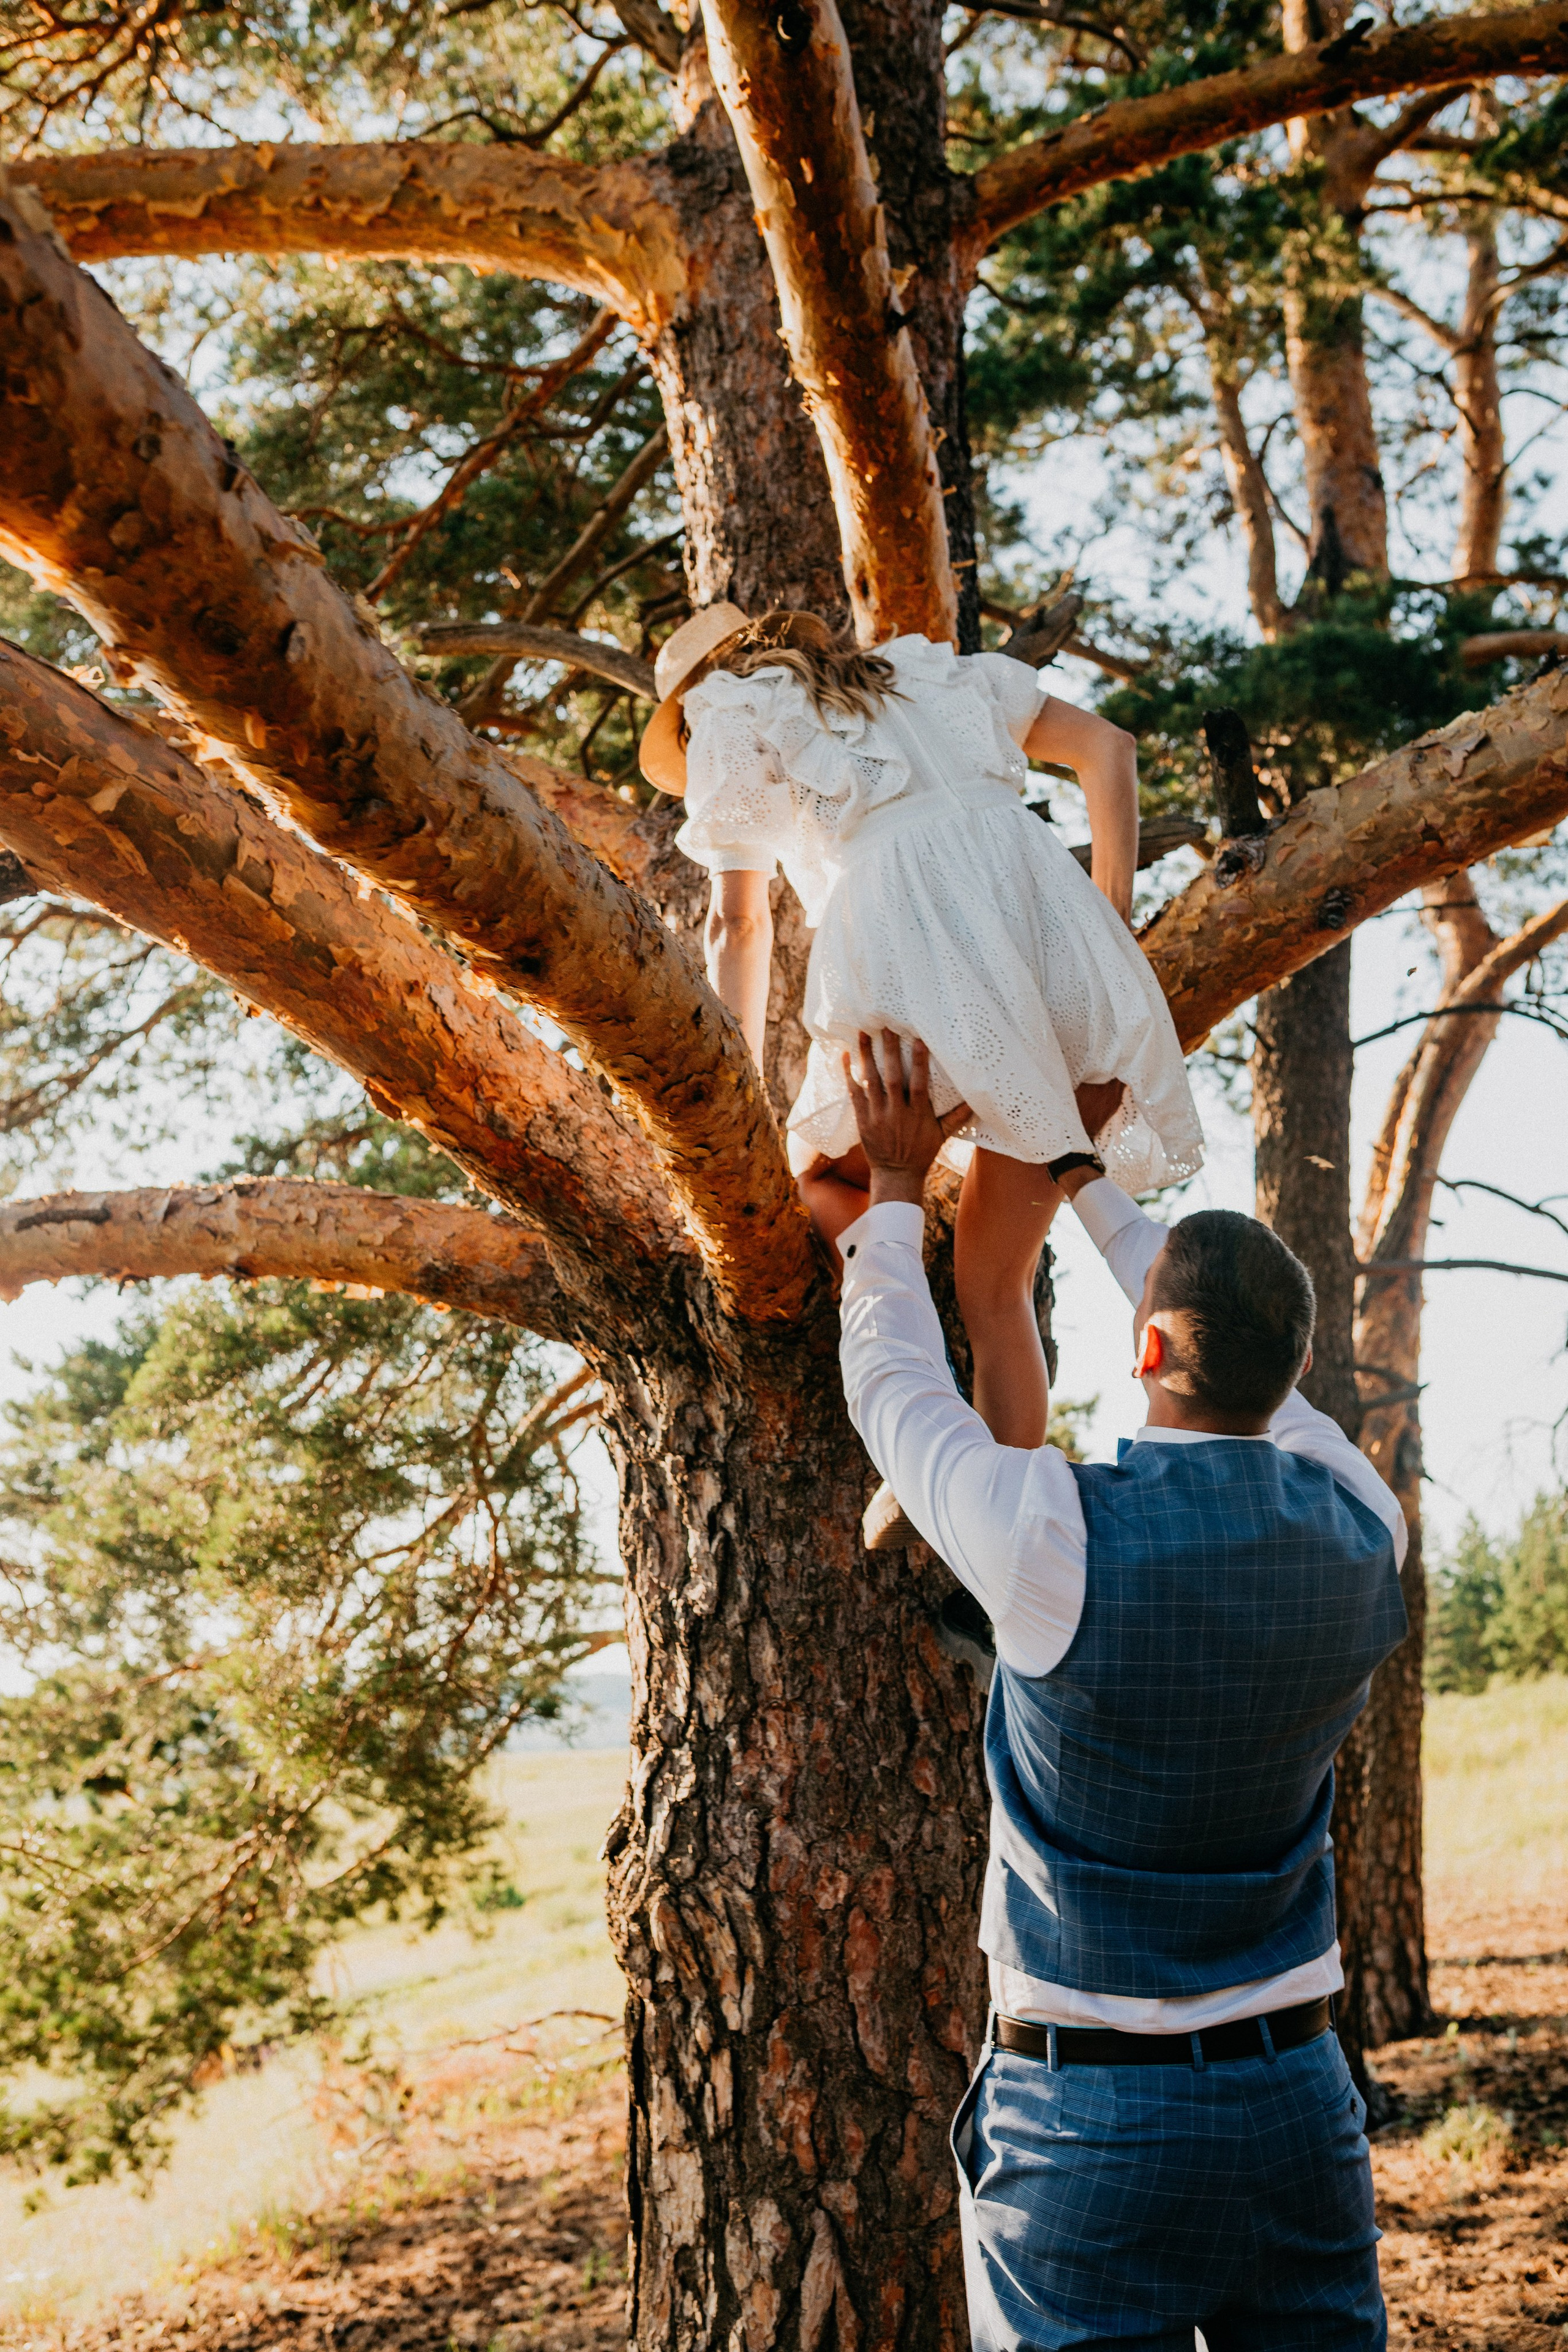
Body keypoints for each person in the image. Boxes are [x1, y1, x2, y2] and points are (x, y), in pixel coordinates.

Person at [835, 1030, 1409, 2352]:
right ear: (1292, 1368)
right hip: (1295, 2108)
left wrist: (887, 1195)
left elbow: (893, 1388)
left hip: (1088, 2127)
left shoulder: (1051, 1542)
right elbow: (1234, 1354)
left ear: (1144, 1344)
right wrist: (1087, 1179)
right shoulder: (1358, 1520)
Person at [638, 602, 1204, 1545]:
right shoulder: (937, 676)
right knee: (996, 1288)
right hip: (1072, 990)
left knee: (817, 1179)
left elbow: (738, 925)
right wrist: (1106, 929)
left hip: (917, 991)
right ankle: (1004, 1506)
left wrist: (730, 1078)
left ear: (694, 702)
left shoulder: (730, 712)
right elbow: (1110, 749)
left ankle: (920, 1426)